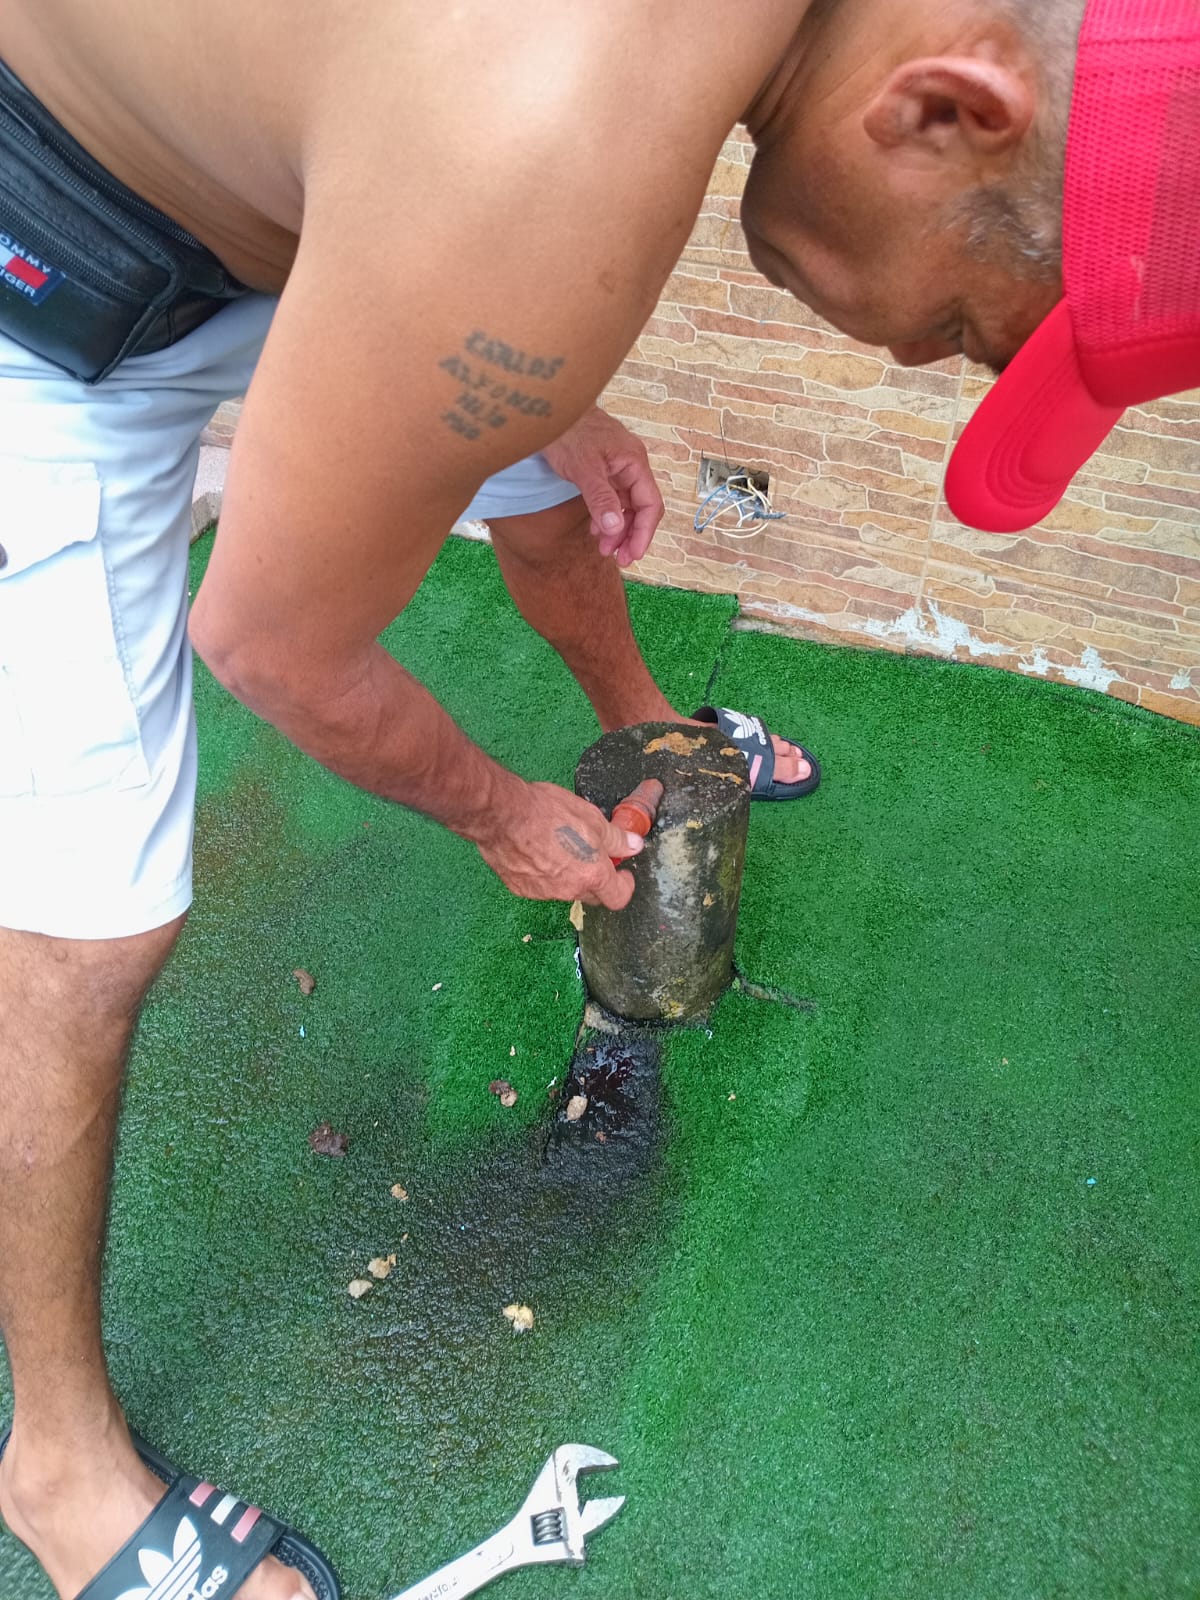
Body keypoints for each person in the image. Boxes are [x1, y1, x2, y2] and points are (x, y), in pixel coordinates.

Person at [0, 0, 1195, 1596]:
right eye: (970, 328)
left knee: (545, 466)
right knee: (93, 927)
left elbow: (425, 144)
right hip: (60, 271)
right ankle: (56, 1468)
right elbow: (269, 643)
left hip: (292, 206)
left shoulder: (607, 126)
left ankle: (653, 725)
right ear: (944, 113)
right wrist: (499, 812)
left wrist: (539, 391)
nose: (922, 357)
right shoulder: (550, 148)